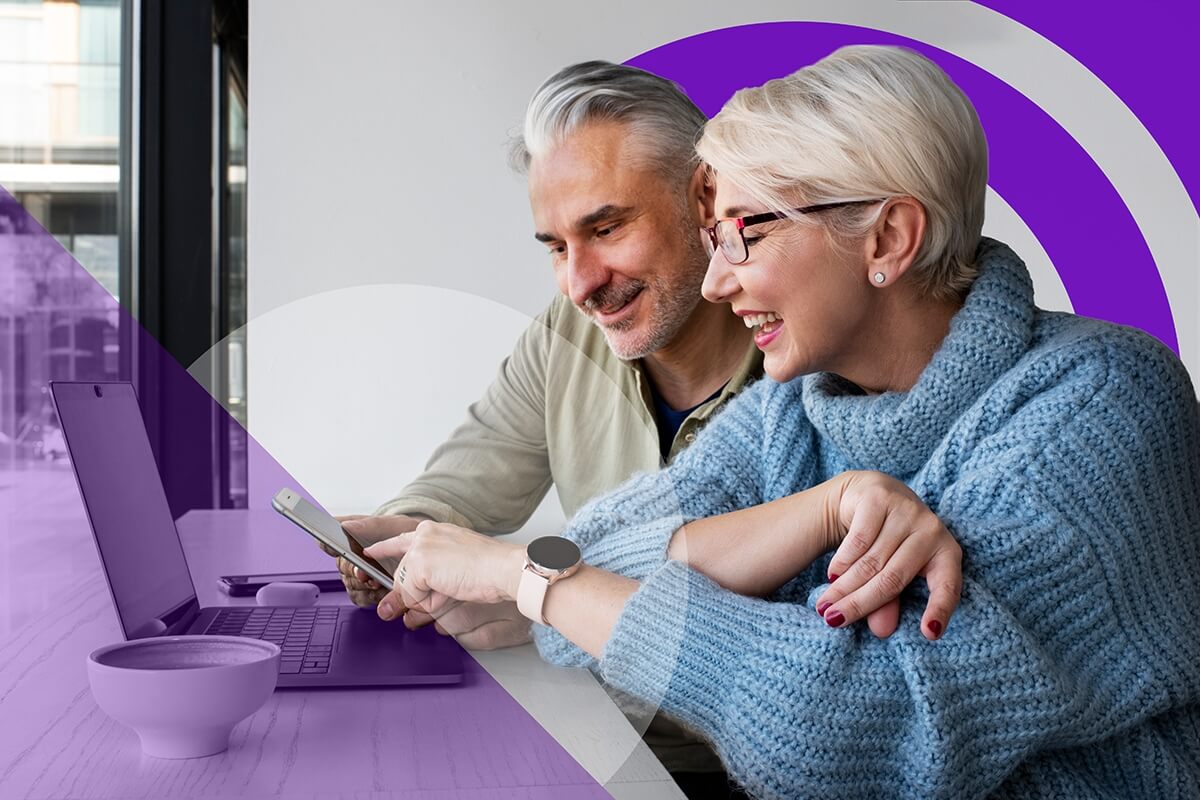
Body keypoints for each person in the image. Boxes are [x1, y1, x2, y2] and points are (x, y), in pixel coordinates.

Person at [362, 45, 1200, 799]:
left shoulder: (1099, 405)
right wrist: (826, 507)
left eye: (745, 235)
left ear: (888, 238)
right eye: (714, 236)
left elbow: (842, 736)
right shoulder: (794, 409)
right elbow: (601, 542)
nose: (720, 284)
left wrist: (531, 582)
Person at [327, 60, 963, 799]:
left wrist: (524, 584)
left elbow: (852, 710)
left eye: (606, 227)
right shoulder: (569, 337)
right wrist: (411, 544)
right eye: (557, 247)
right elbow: (513, 507)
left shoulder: (816, 361)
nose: (579, 283)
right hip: (598, 738)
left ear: (706, 194)